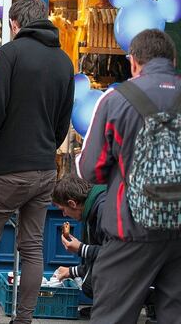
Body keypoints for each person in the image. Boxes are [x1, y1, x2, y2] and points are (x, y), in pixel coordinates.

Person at [0, 0, 74, 324]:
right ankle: (24, 320)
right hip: (44, 168)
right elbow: (63, 122)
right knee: (32, 248)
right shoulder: (63, 61)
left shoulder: (10, 53)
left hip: (8, 167)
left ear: (15, 25)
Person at [78, 29, 181, 323]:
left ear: (133, 62)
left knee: (113, 315)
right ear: (172, 60)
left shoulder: (116, 100)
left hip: (130, 228)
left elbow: (91, 170)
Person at [51, 175, 106, 296]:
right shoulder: (93, 209)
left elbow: (116, 254)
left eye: (63, 209)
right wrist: (72, 271)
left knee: (91, 284)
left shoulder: (103, 210)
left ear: (72, 203)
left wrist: (81, 248)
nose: (64, 215)